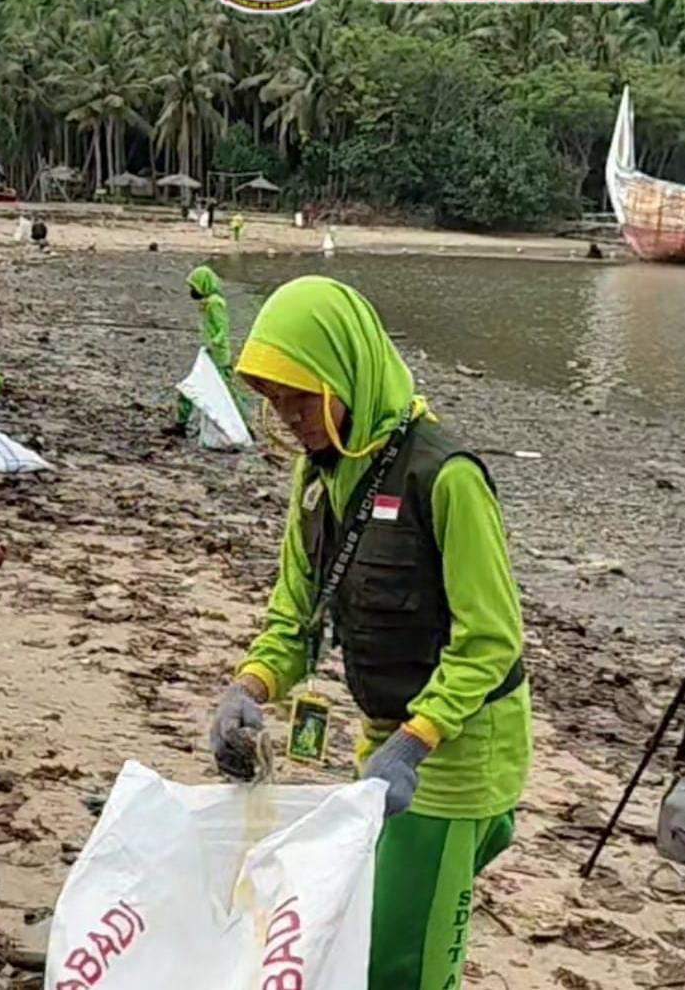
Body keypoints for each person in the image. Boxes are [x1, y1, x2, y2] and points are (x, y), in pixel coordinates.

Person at [209, 276, 531, 990]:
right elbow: (295, 615)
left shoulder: (446, 477)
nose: (290, 417)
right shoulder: (317, 476)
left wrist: (417, 741)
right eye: (275, 400)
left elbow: (491, 638)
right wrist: (248, 688)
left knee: (405, 963)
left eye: (302, 398)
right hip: (383, 739)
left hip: (458, 750)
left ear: (347, 374)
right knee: (363, 932)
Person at [163, 264, 238, 438]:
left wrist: (213, 344)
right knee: (191, 388)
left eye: (194, 286)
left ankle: (243, 430)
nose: (192, 291)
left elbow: (223, 329)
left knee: (226, 395)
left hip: (217, 358)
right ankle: (181, 424)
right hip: (209, 354)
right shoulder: (208, 303)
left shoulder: (214, 304)